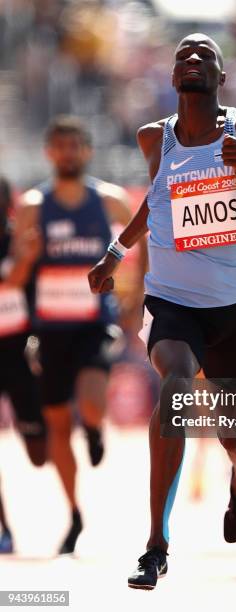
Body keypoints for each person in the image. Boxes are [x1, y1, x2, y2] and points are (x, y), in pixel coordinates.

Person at [88, 33, 236, 590]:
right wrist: (114, 253)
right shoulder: (155, 138)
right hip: (171, 300)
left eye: (206, 56)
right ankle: (156, 545)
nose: (193, 60)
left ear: (221, 79)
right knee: (173, 388)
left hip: (233, 307)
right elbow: (156, 201)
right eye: (183, 56)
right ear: (173, 78)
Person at [15, 117, 132, 554]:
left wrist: (139, 287)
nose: (67, 154)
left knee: (91, 401)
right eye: (59, 147)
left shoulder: (109, 201)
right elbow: (20, 268)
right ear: (50, 153)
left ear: (87, 151)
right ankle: (74, 514)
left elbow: (147, 238)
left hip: (93, 322)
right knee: (57, 425)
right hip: (50, 328)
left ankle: (97, 428)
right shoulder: (32, 205)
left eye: (75, 146)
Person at [0, 176, 46, 553]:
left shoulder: (21, 238)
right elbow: (13, 278)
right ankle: (5, 529)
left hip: (19, 355)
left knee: (38, 454)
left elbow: (20, 280)